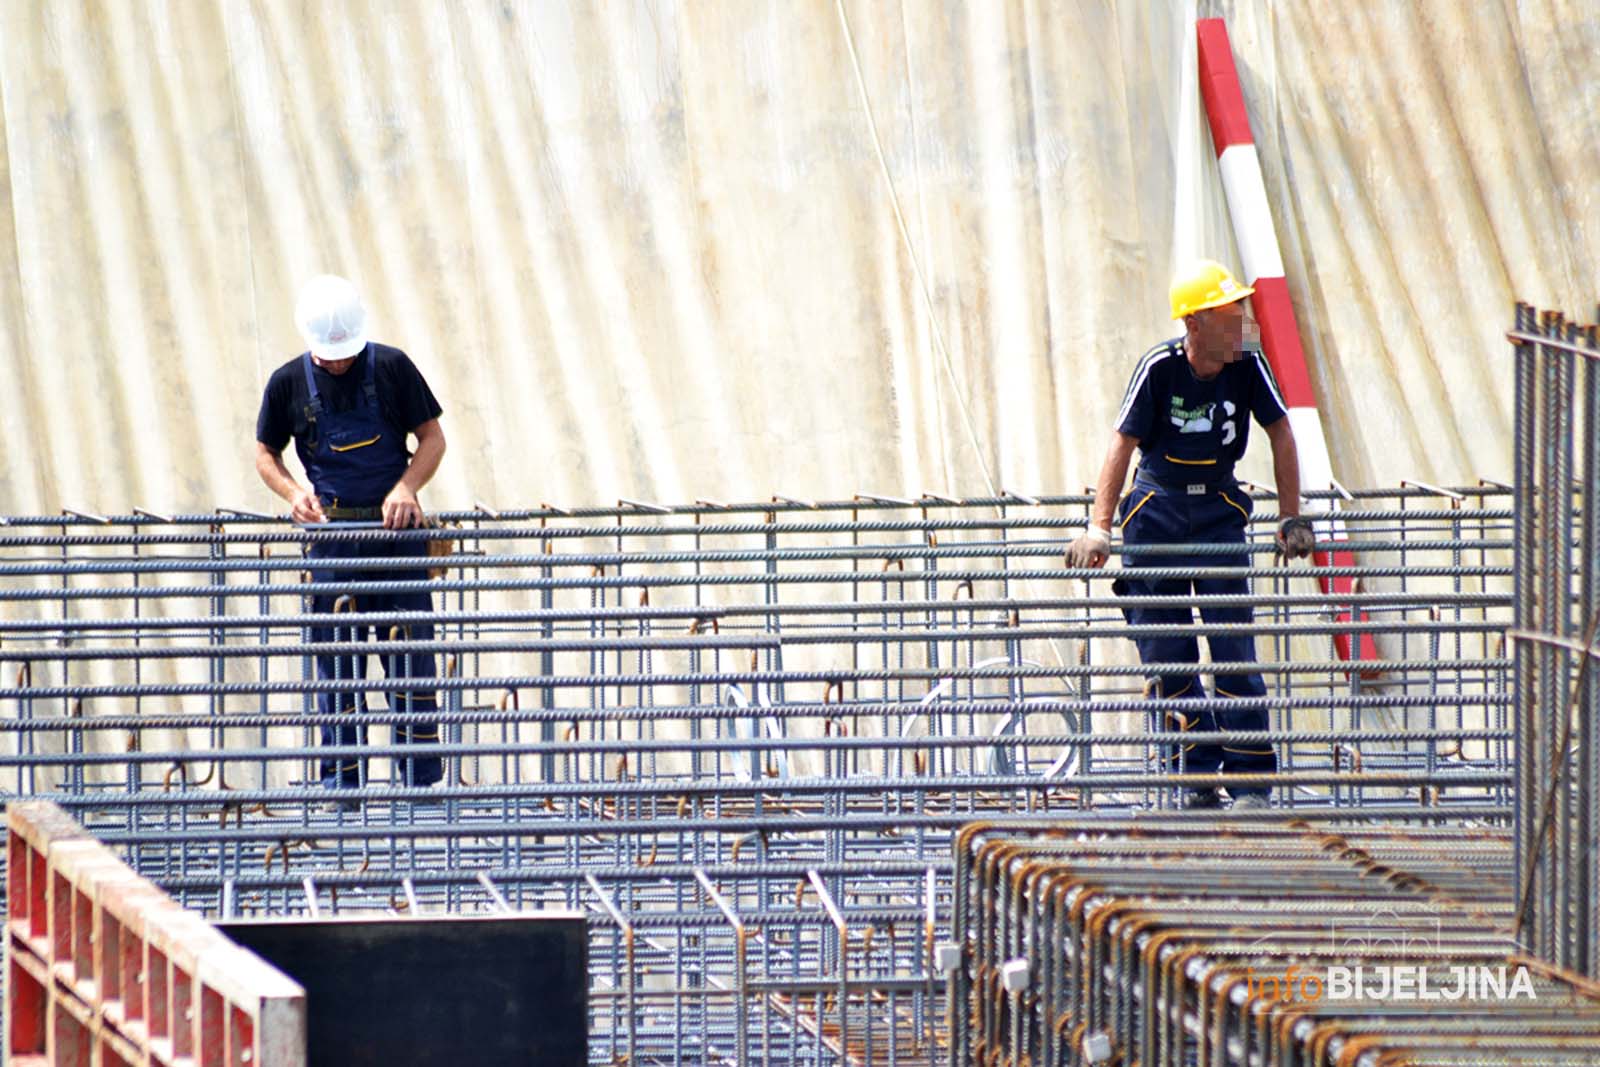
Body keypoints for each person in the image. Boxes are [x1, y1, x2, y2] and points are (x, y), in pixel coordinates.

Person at [1066, 259, 1315, 811]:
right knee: (1166, 651)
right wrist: (1099, 529)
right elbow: (1121, 444)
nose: (1244, 324)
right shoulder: (1159, 367)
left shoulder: (1248, 361)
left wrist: (1291, 515)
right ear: (1195, 324)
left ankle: (1251, 777)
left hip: (1219, 510)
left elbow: (1281, 431)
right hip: (1157, 509)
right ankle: (1194, 774)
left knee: (1232, 648)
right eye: (1231, 314)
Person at [254, 274, 448, 807]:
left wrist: (407, 486)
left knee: (409, 659)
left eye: (346, 354)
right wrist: (293, 493)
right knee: (337, 666)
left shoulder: (390, 367)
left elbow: (432, 438)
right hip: (332, 541)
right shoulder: (287, 382)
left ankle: (419, 789)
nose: (338, 362)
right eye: (329, 356)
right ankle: (343, 793)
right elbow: (264, 453)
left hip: (396, 536)